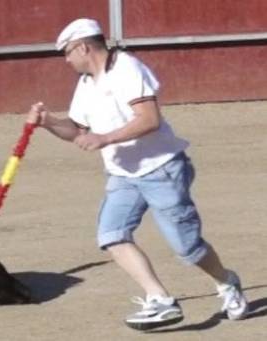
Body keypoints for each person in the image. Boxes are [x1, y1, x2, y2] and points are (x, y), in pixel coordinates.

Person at [26, 18, 249, 330]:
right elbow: (76, 129)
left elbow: (149, 119)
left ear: (83, 47)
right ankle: (159, 298)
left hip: (162, 169)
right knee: (111, 234)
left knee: (187, 247)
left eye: (67, 53)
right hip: (122, 174)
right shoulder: (87, 83)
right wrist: (48, 121)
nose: (66, 60)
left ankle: (226, 282)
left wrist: (105, 138)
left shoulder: (128, 69)